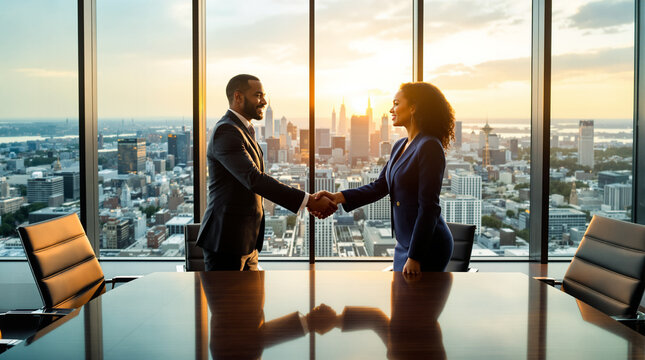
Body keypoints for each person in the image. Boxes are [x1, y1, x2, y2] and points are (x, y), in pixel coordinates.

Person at [196, 74, 337, 271]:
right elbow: (254, 179)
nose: (264, 101)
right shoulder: (226, 131)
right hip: (226, 242)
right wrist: (309, 201)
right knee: (228, 302)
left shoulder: (243, 129)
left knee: (252, 302)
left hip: (247, 242)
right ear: (238, 97)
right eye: (258, 95)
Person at [314, 82, 455, 274]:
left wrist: (415, 257)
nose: (391, 109)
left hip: (426, 247)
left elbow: (429, 207)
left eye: (397, 103)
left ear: (414, 107)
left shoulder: (429, 146)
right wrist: (338, 197)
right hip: (404, 243)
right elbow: (380, 186)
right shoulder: (400, 145)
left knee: (416, 303)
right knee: (403, 302)